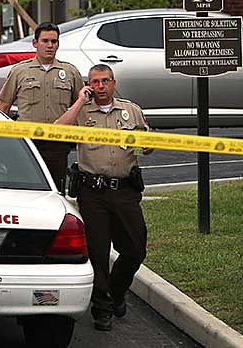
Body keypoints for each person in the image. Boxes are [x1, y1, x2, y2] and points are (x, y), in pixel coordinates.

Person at [55, 64, 153, 332]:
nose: (100, 86)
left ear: (113, 82)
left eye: (105, 81)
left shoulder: (130, 110)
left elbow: (148, 143)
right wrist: (78, 102)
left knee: (135, 249)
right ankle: (102, 308)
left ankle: (116, 292)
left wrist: (148, 144)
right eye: (95, 82)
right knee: (98, 253)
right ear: (89, 85)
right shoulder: (82, 112)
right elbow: (57, 130)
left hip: (124, 190)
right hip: (93, 193)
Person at [0, 22, 85, 193]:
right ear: (35, 43)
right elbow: (4, 107)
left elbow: (81, 107)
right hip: (27, 144)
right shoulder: (20, 71)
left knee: (56, 191)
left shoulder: (70, 72)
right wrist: (1, 141)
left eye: (54, 41)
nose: (50, 46)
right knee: (24, 190)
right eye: (45, 41)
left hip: (57, 144)